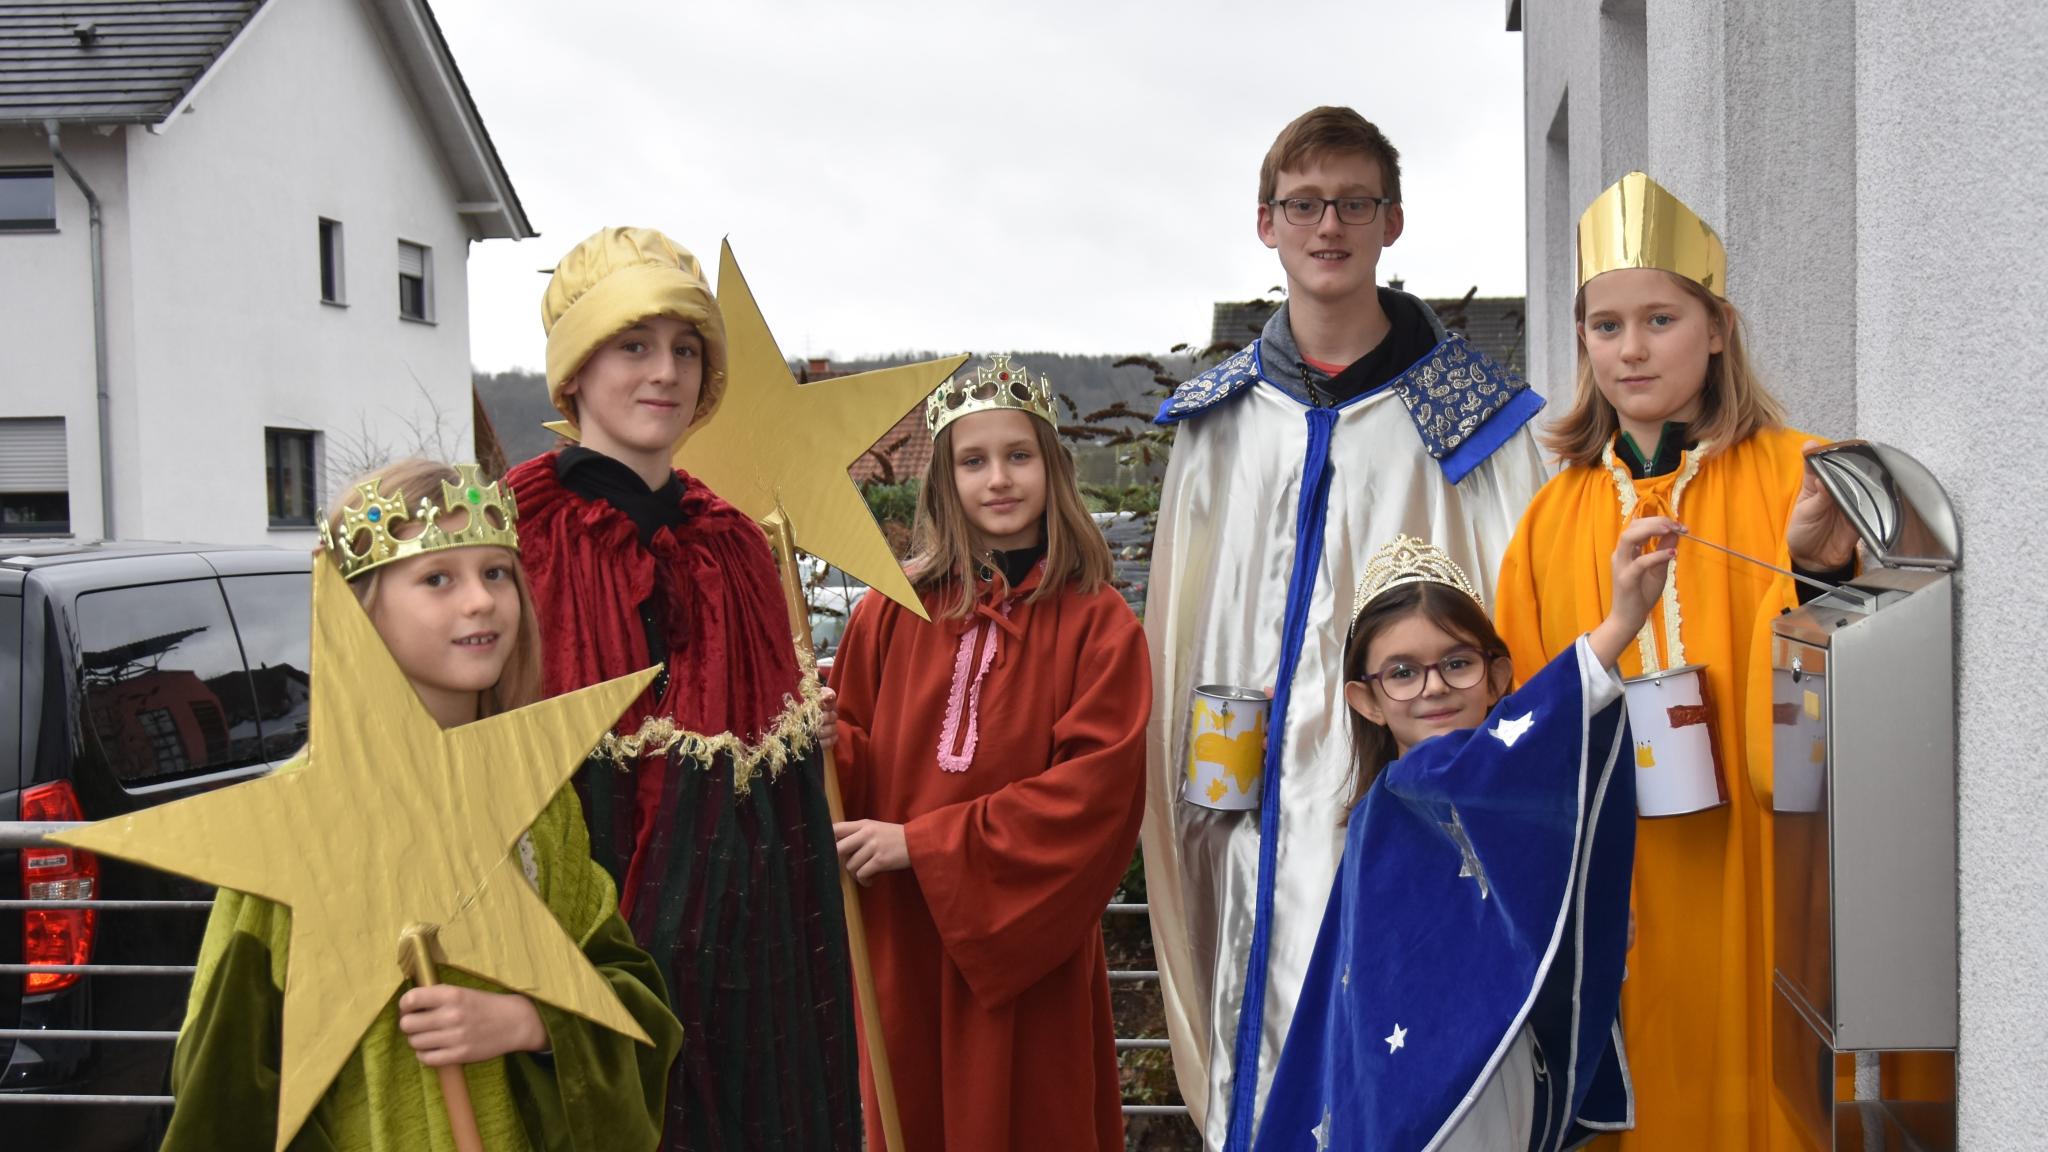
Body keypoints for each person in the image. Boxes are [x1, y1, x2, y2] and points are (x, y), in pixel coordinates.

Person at [1140, 104, 1552, 1149]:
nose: (1328, 226)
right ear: (1265, 223)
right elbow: (1184, 628)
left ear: (1392, 222)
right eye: (1304, 204)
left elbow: (1520, 613)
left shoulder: (1474, 420)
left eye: (1352, 204)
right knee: (1267, 1043)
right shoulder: (1218, 423)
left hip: (1409, 796)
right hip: (1245, 807)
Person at [162, 458, 682, 1151]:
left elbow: (635, 1001)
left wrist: (531, 1021)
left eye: (496, 573)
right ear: (360, 612)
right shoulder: (300, 817)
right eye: (438, 578)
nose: (480, 601)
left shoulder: (537, 800)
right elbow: (227, 1084)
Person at [1494, 172, 1859, 1150]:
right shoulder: (1549, 520)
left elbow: (1862, 680)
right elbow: (1528, 717)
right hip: (1627, 883)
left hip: (1763, 868)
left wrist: (1811, 570)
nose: (1630, 347)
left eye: (1658, 317)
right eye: (1603, 325)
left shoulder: (1802, 473)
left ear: (1715, 327)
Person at [505, 227, 861, 1150]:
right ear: (575, 368)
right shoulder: (508, 536)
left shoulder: (736, 544)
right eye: (634, 344)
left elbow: (772, 781)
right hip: (575, 931)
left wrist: (789, 734)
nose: (665, 372)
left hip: (748, 956)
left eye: (686, 349)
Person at [1255, 523, 1671, 1151]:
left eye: (1457, 662)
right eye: (1402, 672)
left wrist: (1588, 922)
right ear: (1366, 701)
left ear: (1498, 675)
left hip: (1495, 1067)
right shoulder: (1403, 796)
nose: (1434, 687)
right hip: (1418, 1089)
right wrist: (1618, 626)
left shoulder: (1500, 797)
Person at [826, 357, 1150, 1152]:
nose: (998, 479)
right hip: (904, 947)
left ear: (1052, 468)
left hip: (1025, 954)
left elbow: (1094, 798)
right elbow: (857, 772)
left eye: (1019, 455)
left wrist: (926, 845)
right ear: (944, 480)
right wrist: (821, 744)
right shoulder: (886, 613)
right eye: (973, 461)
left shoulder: (1101, 625)